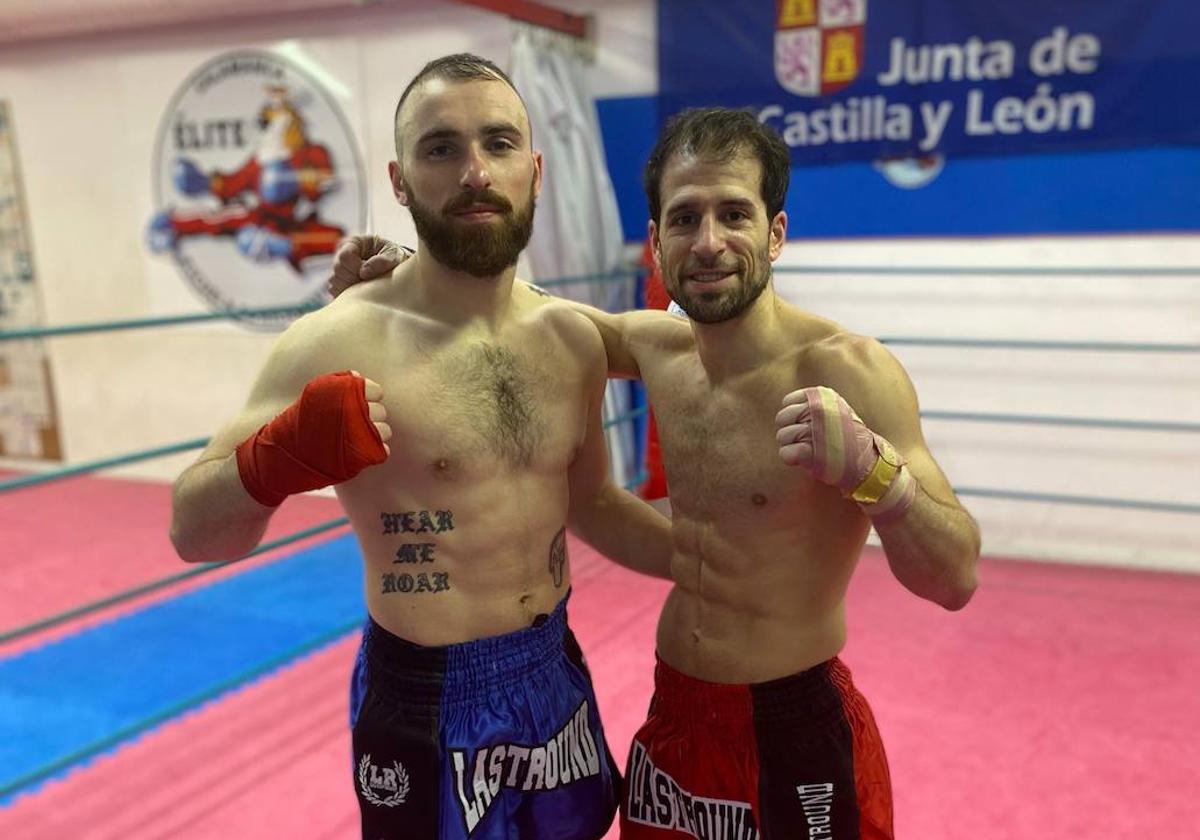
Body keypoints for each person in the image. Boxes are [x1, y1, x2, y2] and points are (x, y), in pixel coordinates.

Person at [333, 107, 981, 839]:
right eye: (685, 218)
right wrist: (419, 278)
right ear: (656, 241)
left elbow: (954, 577)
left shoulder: (846, 369)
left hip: (794, 724)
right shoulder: (653, 349)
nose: (709, 242)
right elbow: (526, 319)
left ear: (776, 232)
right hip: (673, 721)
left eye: (735, 214)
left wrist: (879, 477)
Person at [170, 53, 674, 840]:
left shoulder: (569, 339)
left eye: (499, 143)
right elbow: (194, 533)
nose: (476, 171)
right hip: (426, 691)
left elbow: (594, 502)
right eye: (441, 149)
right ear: (401, 179)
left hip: (554, 670)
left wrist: (719, 559)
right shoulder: (337, 340)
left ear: (535, 169)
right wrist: (272, 458)